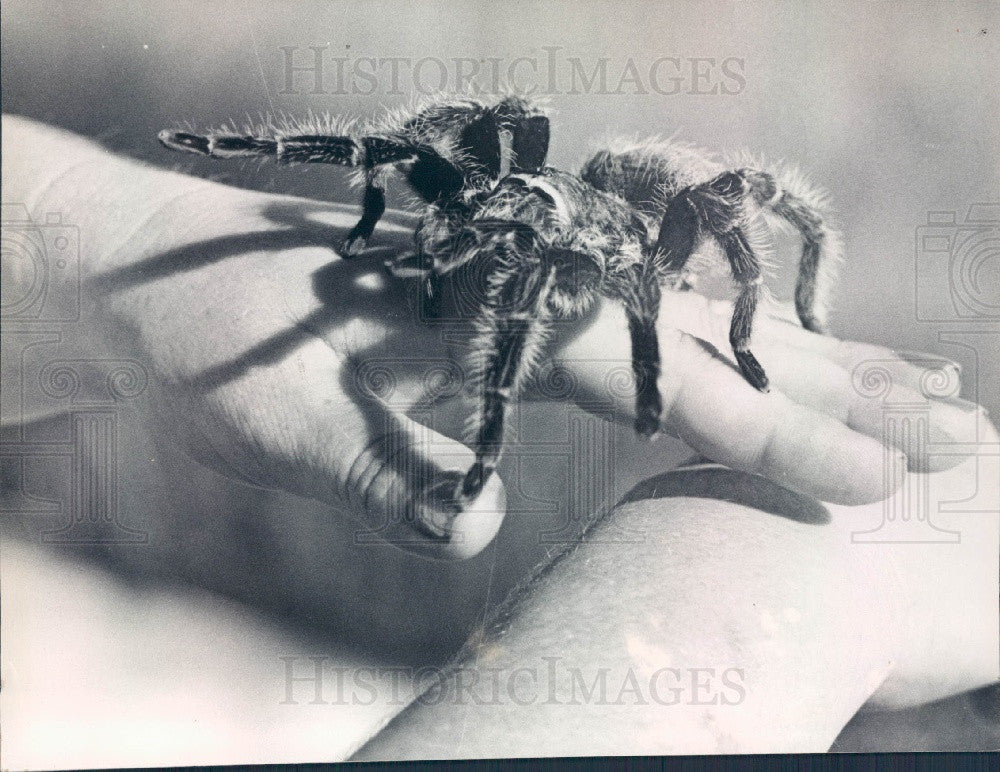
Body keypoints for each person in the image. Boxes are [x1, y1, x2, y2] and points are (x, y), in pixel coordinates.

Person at [2, 115, 997, 757]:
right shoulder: (492, 190)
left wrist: (702, 342)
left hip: (619, 239)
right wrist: (128, 226)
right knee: (459, 147)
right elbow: (411, 150)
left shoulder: (618, 251)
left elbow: (629, 289)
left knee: (655, 227)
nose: (487, 219)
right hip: (563, 203)